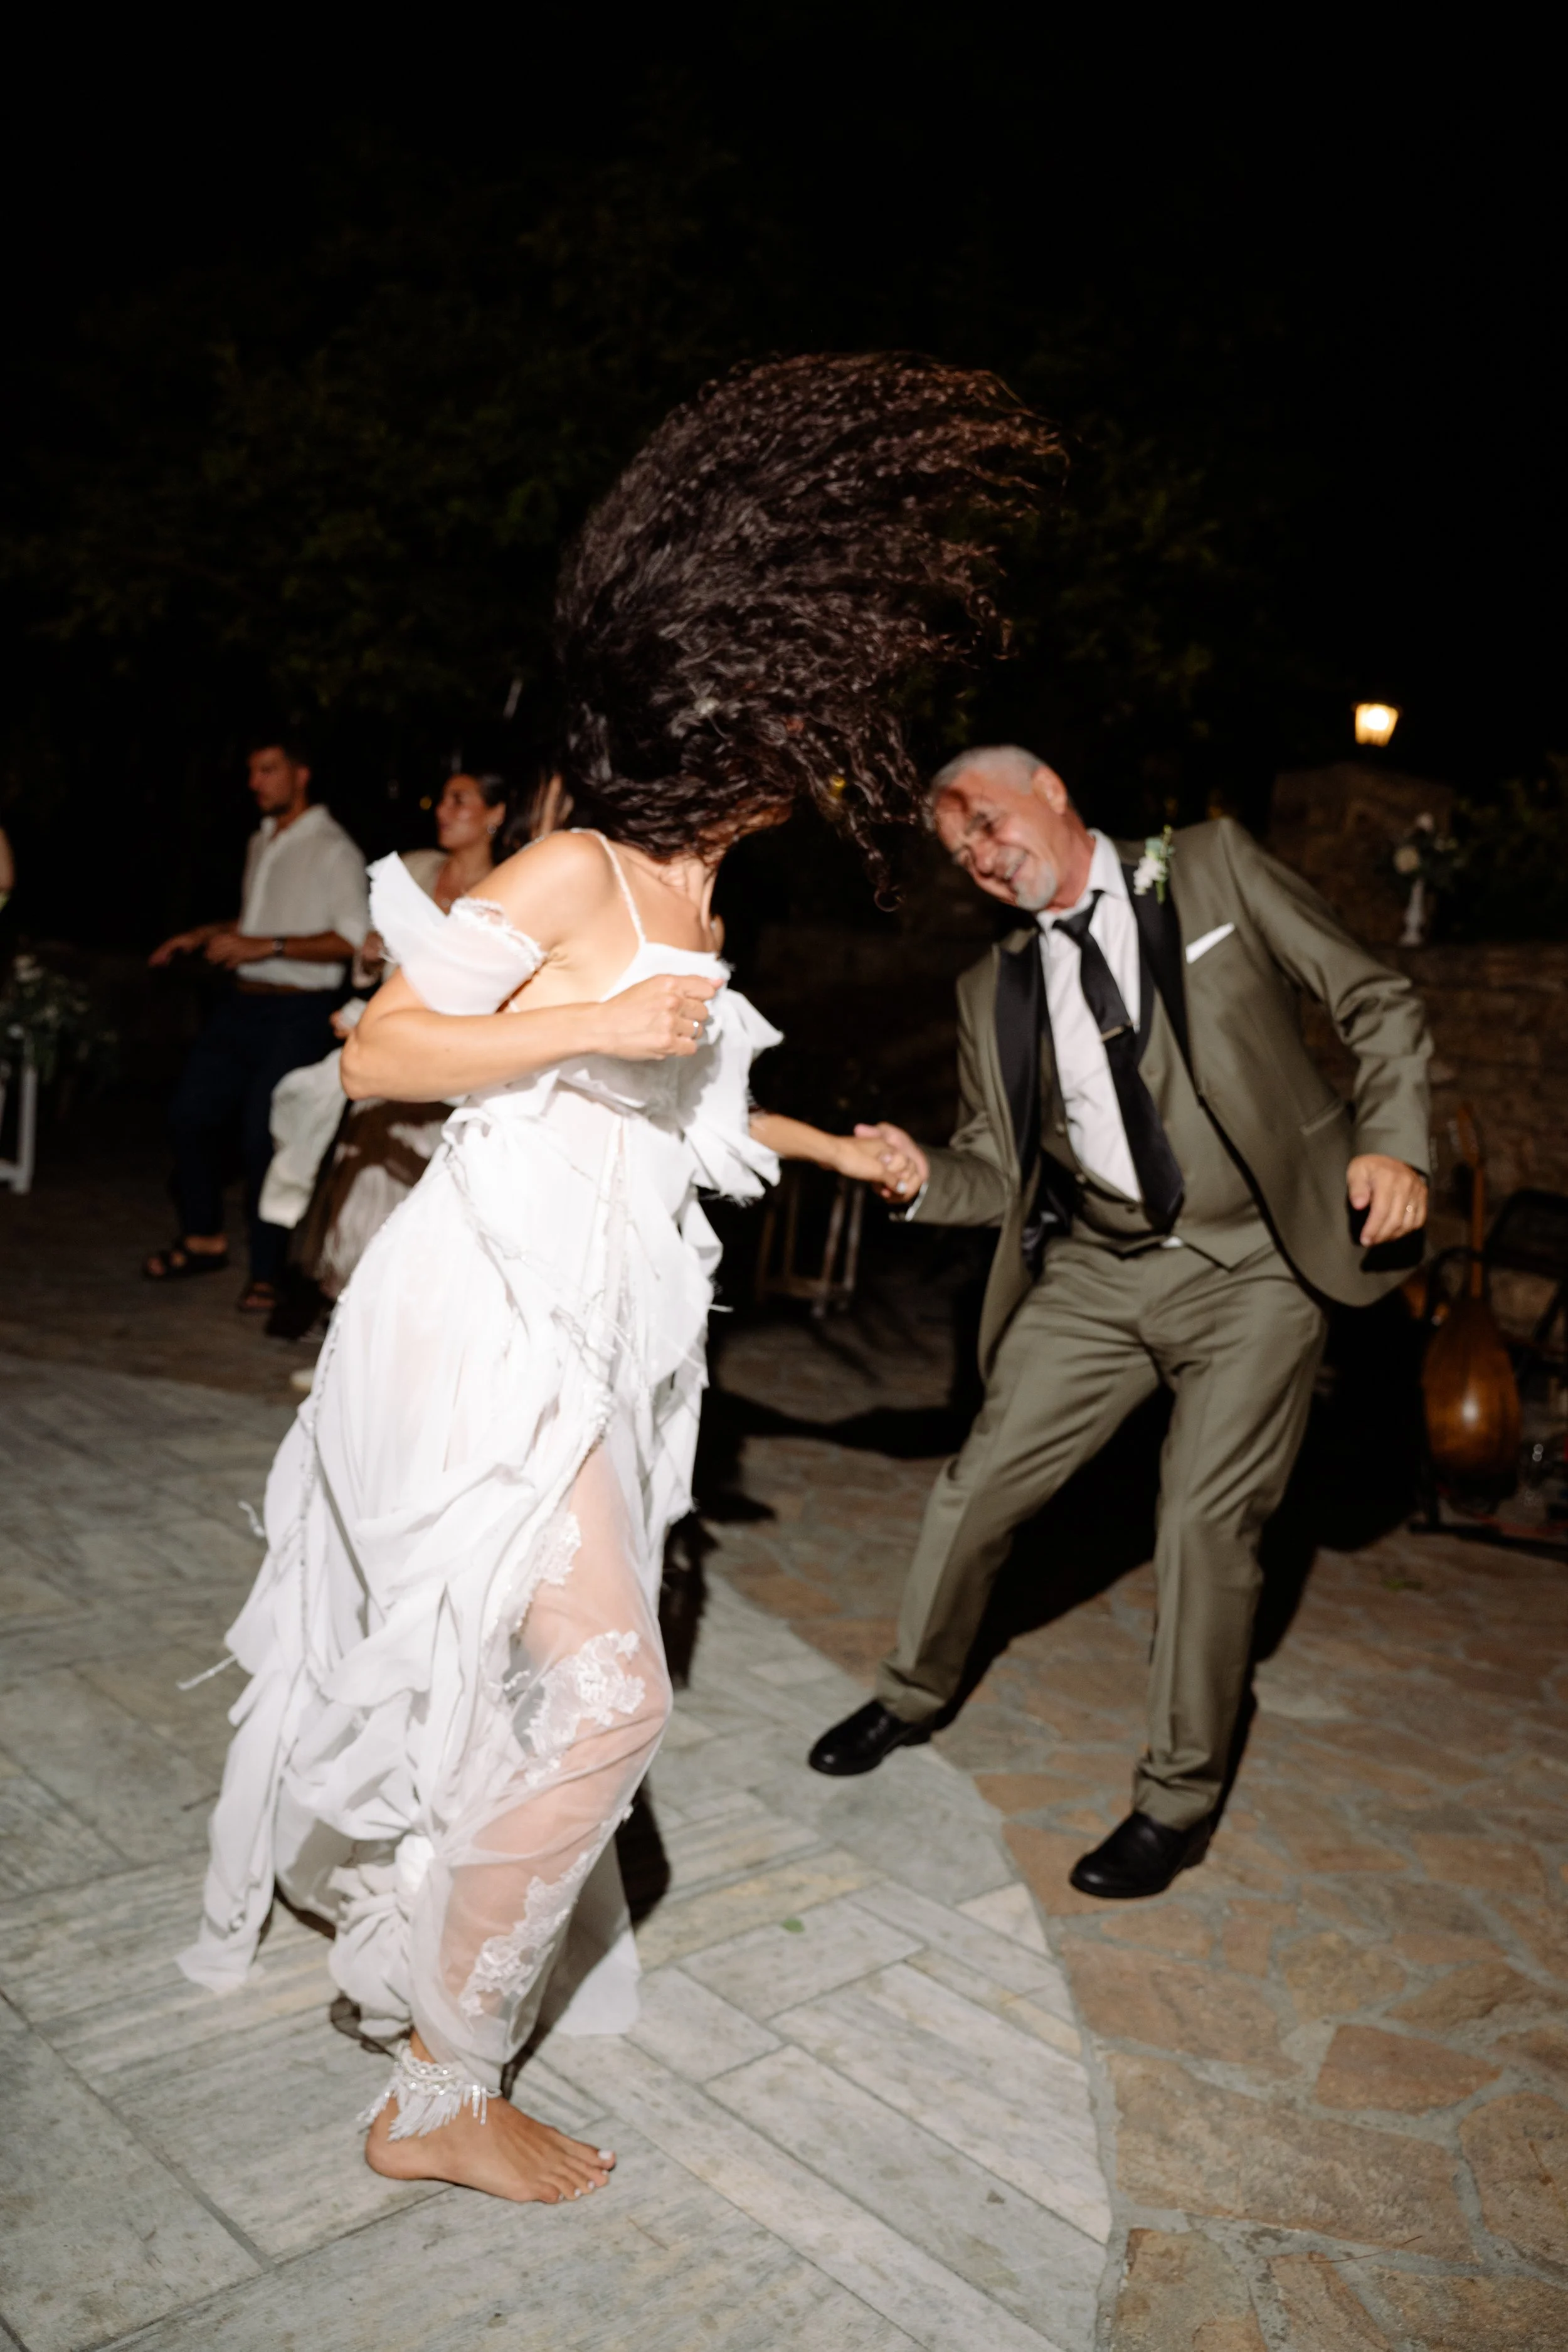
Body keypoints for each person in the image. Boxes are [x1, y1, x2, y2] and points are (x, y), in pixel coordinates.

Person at [176, 356, 1056, 2208]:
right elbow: (396, 1048)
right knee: (604, 1698)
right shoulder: (580, 865)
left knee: (567, 1693)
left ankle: (441, 2048)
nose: (821, 759)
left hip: (586, 1321)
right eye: (799, 724)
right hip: (481, 1315)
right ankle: (436, 2088)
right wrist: (578, 1011)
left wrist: (833, 1148)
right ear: (726, 717)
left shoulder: (692, 898)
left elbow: (676, 1095)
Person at [812, 746, 1431, 1902]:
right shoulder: (988, 990)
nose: (984, 860)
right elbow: (992, 1174)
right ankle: (911, 1690)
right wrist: (914, 1174)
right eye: (961, 854)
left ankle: (1177, 1799)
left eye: (990, 824)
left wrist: (1393, 1137)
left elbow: (1374, 995)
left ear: (1051, 789)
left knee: (1203, 1521)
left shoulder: (1211, 869)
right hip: (1100, 1269)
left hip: (1255, 1265)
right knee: (979, 1482)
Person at [262, 771, 516, 1306]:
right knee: (358, 1206)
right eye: (443, 799)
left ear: (495, 814)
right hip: (383, 1056)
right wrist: (370, 955)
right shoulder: (419, 868)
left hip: (444, 1071)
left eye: (459, 801)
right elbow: (371, 959)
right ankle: (350, 1334)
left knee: (420, 1214)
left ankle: (403, 1330)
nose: (443, 810)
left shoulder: (509, 890)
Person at [145, 741, 369, 1313]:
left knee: (265, 1136)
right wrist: (202, 934)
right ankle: (203, 1238)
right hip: (242, 1004)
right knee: (189, 1115)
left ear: (302, 774)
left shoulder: (332, 848)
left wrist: (263, 944)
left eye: (268, 770)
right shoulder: (261, 839)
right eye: (250, 771)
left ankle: (269, 1270)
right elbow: (259, 922)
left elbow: (351, 939)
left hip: (297, 1012)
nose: (255, 782)